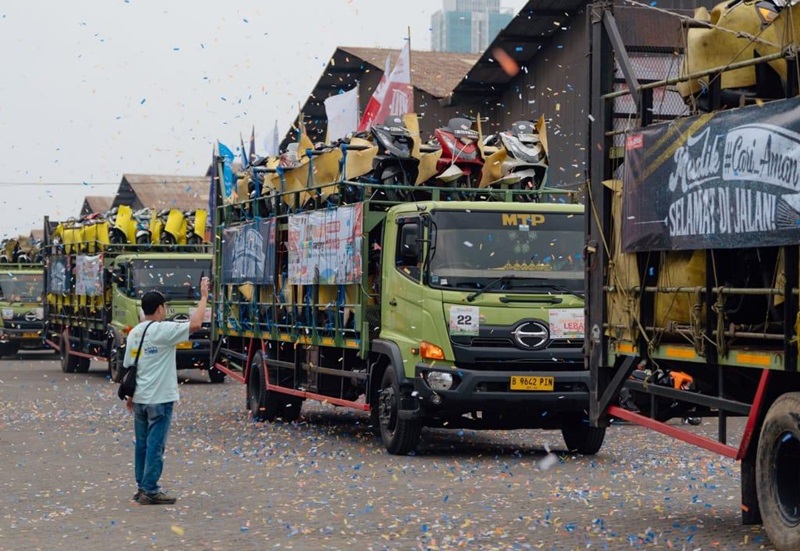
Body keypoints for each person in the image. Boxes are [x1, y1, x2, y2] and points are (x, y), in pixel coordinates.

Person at [124, 276, 209, 505]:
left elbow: (131, 365)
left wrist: (130, 396)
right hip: (159, 398)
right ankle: (150, 489)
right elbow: (196, 324)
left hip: (140, 398)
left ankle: (142, 486)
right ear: (160, 309)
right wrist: (203, 297)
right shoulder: (163, 330)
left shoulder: (134, 333)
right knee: (155, 445)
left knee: (141, 445)